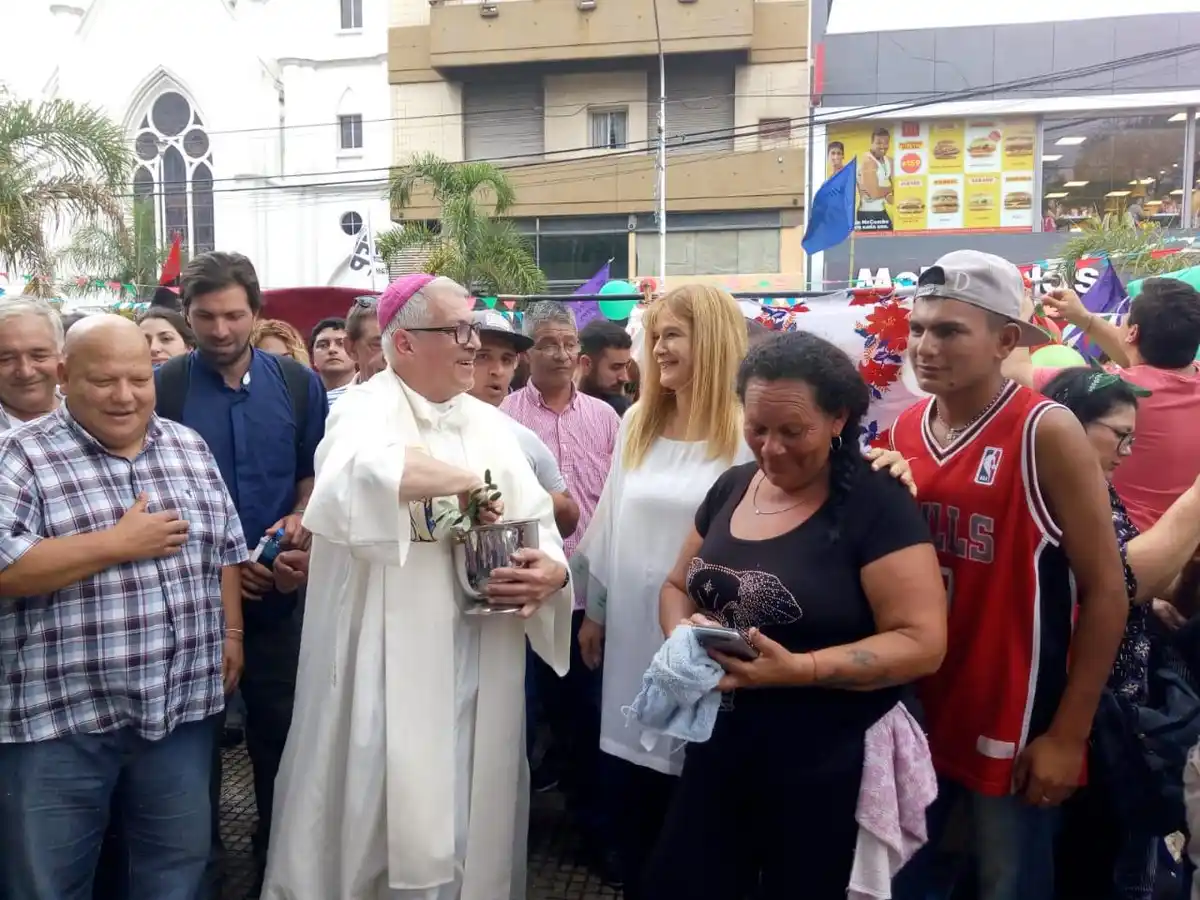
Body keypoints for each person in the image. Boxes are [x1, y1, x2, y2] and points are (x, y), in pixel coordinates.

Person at [264, 273, 573, 900]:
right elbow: (351, 477)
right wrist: (460, 481)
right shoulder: (363, 408)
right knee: (382, 803)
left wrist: (553, 571)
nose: (473, 344)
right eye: (459, 331)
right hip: (384, 660)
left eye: (476, 330)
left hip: (479, 654)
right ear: (404, 343)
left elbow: (539, 520)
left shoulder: (490, 425)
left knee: (470, 799)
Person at [642, 329, 946, 897]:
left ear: (838, 420)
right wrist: (683, 634)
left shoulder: (875, 504)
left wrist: (801, 669)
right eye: (757, 429)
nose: (772, 448)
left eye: (792, 431)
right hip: (722, 745)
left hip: (827, 762)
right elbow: (677, 584)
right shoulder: (733, 485)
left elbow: (922, 642)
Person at [890, 250, 1129, 900]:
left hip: (1013, 720)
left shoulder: (1044, 431)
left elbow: (1108, 589)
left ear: (1004, 340)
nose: (924, 346)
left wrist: (1068, 735)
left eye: (947, 331)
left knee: (1010, 884)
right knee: (909, 882)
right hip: (918, 712)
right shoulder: (907, 427)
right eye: (918, 329)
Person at [0, 315, 247, 900]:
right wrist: (116, 543)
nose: (124, 395)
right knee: (46, 885)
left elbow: (225, 548)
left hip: (180, 711)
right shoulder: (20, 456)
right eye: (103, 381)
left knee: (172, 878)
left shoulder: (186, 446)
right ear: (65, 376)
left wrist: (232, 633)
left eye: (139, 378)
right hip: (58, 722)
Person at [154, 250, 327, 897]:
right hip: (189, 604)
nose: (220, 331)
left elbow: (314, 475)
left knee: (281, 738)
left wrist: (299, 518)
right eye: (206, 317)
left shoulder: (297, 385)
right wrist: (222, 564)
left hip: (279, 594)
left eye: (233, 316)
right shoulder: (165, 386)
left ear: (257, 314)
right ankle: (199, 868)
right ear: (188, 317)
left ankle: (278, 861)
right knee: (190, 748)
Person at [573, 283, 752, 896]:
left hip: (707, 648)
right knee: (635, 801)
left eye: (671, 333)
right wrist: (594, 613)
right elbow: (610, 526)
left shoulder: (747, 433)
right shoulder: (638, 427)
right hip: (629, 637)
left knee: (697, 813)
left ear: (714, 340)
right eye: (654, 336)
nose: (657, 347)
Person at [1043, 366, 1200, 900]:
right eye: (1118, 435)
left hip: (1113, 721)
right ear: (1064, 427)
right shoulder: (1053, 495)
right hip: (1085, 729)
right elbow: (1123, 580)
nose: (1127, 452)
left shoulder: (1096, 492)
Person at [1038, 278, 1200, 533]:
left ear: (1133, 332)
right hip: (1186, 549)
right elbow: (1137, 359)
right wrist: (1085, 319)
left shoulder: (1113, 388)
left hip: (1125, 549)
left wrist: (1017, 314)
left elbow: (1018, 373)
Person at [469, 308, 578, 538]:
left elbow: (569, 517)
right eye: (482, 356)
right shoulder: (425, 427)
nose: (496, 371)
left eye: (506, 360)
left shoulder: (522, 438)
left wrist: (532, 499)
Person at [0, 296, 63, 432]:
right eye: (6, 359)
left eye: (39, 356)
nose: (25, 372)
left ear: (61, 355)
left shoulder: (93, 411)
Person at [578, 319, 633, 416]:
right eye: (616, 367)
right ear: (586, 364)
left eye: (626, 366)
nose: (625, 378)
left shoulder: (626, 411)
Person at [309, 316, 357, 406]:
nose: (332, 349)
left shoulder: (374, 395)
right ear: (313, 358)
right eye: (323, 345)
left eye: (341, 344)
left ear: (355, 352)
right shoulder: (300, 403)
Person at [345, 295, 386, 384]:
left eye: (404, 345)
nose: (391, 357)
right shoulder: (335, 398)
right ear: (351, 349)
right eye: (379, 345)